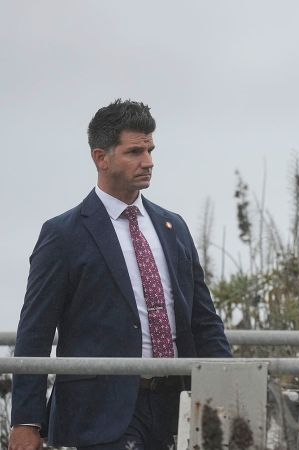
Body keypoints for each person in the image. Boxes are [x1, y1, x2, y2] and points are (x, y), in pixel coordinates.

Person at [10, 99, 232, 450]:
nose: (148, 162)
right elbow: (34, 333)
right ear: (101, 158)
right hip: (100, 414)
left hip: (177, 407)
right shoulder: (63, 235)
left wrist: (229, 391)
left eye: (150, 149)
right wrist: (26, 421)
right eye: (134, 152)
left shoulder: (173, 227)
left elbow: (203, 320)